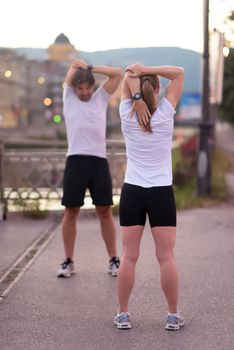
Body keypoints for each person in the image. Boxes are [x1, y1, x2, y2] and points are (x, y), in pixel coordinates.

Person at [113, 63, 185, 330]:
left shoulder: (126, 112)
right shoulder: (166, 112)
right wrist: (149, 68)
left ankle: (123, 314)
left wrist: (136, 97)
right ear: (157, 89)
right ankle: (173, 315)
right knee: (166, 256)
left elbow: (127, 75)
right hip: (161, 192)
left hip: (133, 189)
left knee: (129, 256)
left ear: (139, 91)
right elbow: (179, 73)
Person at [57, 59, 122, 278]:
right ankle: (68, 261)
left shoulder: (101, 98)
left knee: (105, 212)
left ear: (93, 87)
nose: (84, 92)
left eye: (88, 88)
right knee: (70, 212)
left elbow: (117, 74)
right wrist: (78, 67)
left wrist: (92, 69)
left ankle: (114, 260)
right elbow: (73, 66)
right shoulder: (69, 98)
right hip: (75, 161)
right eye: (81, 89)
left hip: (98, 162)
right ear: (75, 88)